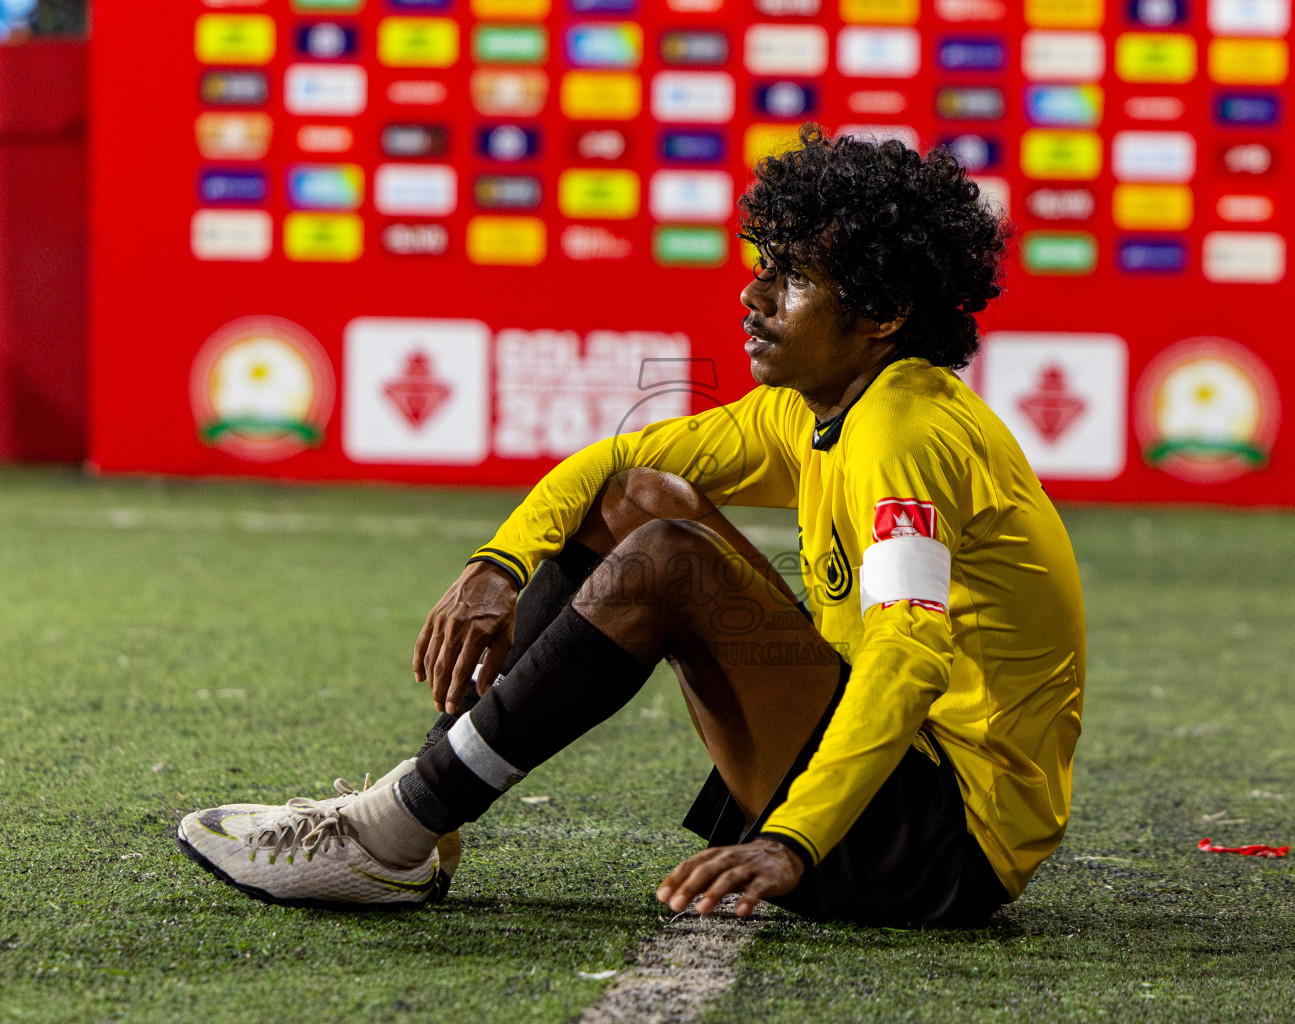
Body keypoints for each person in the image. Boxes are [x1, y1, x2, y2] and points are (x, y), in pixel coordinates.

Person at [176, 125, 1086, 928]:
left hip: (934, 846)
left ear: (883, 314)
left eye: (795, 279)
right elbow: (614, 467)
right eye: (764, 265)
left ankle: (391, 830)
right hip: (885, 787)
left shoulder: (903, 430)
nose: (756, 296)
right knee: (640, 504)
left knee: (668, 561)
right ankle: (417, 822)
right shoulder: (824, 404)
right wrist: (499, 563)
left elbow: (909, 653)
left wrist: (795, 840)